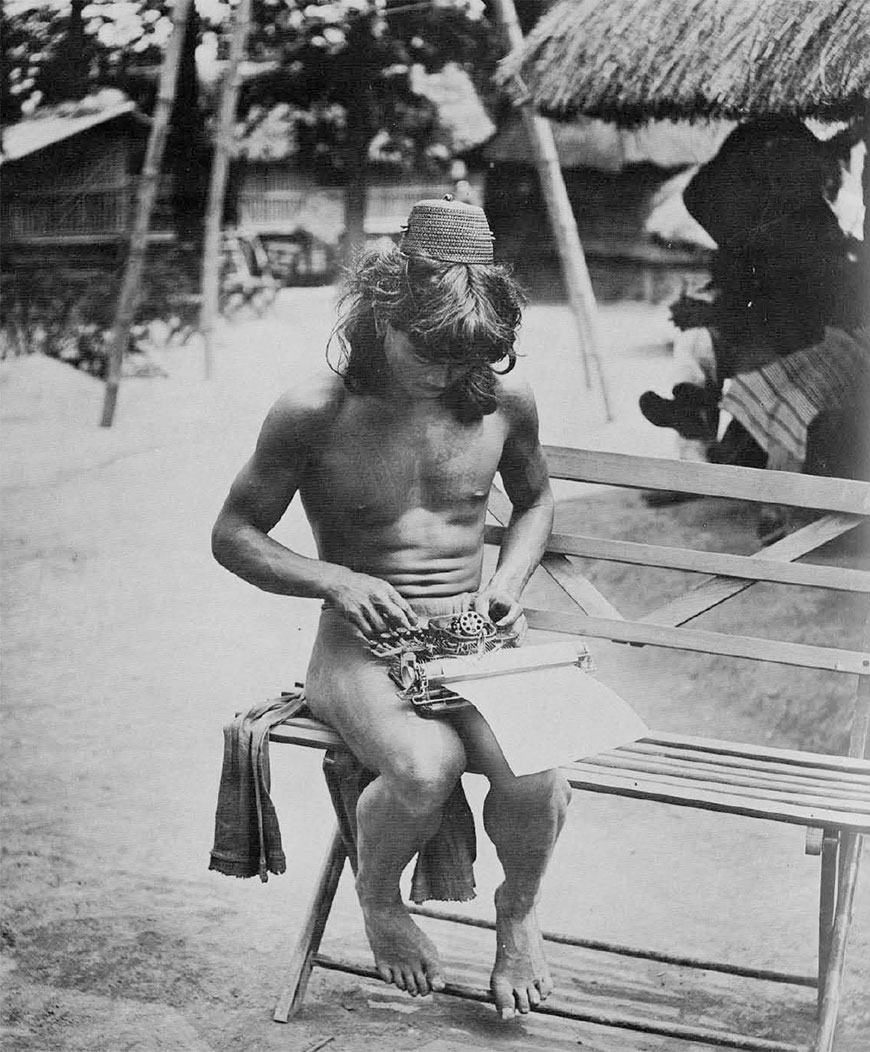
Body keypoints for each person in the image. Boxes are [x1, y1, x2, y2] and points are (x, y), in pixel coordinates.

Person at [210, 197, 571, 1021]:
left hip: (473, 638)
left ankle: (516, 915)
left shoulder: (502, 406)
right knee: (424, 766)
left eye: (467, 356)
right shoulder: (316, 410)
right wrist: (335, 581)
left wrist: (507, 584)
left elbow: (537, 503)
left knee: (539, 766)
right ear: (382, 309)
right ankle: (379, 901)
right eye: (429, 350)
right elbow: (234, 535)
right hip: (359, 648)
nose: (444, 374)